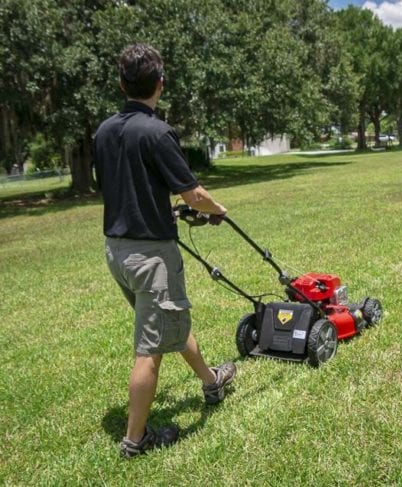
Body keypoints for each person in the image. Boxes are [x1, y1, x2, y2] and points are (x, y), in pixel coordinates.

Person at [93, 44, 236, 459]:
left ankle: (211, 381)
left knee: (165, 319)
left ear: (121, 83)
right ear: (161, 83)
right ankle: (135, 440)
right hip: (151, 257)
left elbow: (125, 186)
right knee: (150, 350)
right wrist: (217, 209)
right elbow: (194, 194)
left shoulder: (104, 131)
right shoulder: (158, 132)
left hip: (116, 252)